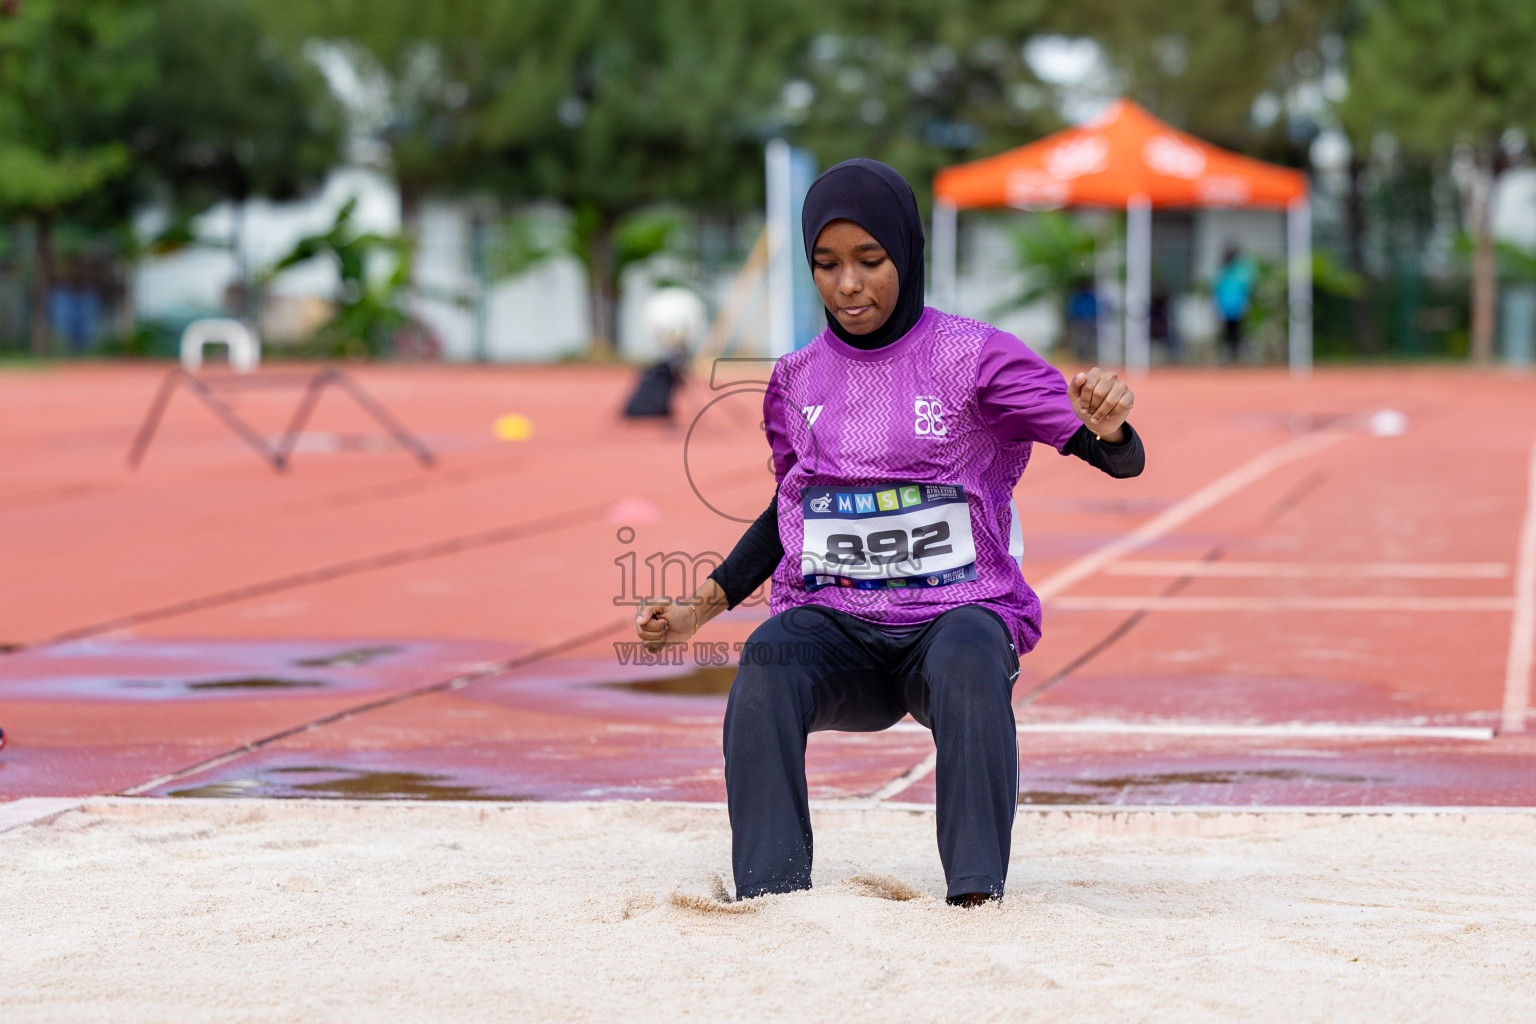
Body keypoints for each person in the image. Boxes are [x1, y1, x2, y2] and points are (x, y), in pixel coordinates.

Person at [634, 159, 1145, 907]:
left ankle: (975, 897)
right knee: (768, 660)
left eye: (870, 261)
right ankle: (773, 896)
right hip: (842, 634)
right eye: (826, 264)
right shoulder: (796, 378)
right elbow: (790, 509)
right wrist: (698, 610)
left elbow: (1117, 458)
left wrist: (1112, 426)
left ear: (906, 253)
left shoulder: (976, 358)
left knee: (972, 656)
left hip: (951, 626)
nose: (848, 285)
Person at [1213, 246, 1255, 362]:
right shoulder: (1224, 272)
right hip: (1227, 308)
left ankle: (1236, 356)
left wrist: (1246, 304)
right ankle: (1231, 356)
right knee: (1229, 333)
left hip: (1236, 307)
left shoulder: (1239, 272)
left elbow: (1246, 289)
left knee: (1237, 332)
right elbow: (1217, 290)